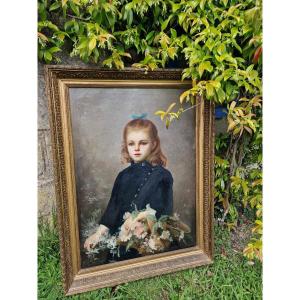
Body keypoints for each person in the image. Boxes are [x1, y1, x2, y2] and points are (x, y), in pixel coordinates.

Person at [84, 116, 174, 260]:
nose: (136, 148)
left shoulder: (162, 176)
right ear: (126, 146)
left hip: (148, 239)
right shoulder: (122, 176)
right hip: (120, 239)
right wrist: (98, 234)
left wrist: (139, 221)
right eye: (131, 144)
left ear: (154, 144)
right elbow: (112, 210)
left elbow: (164, 210)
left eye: (143, 143)